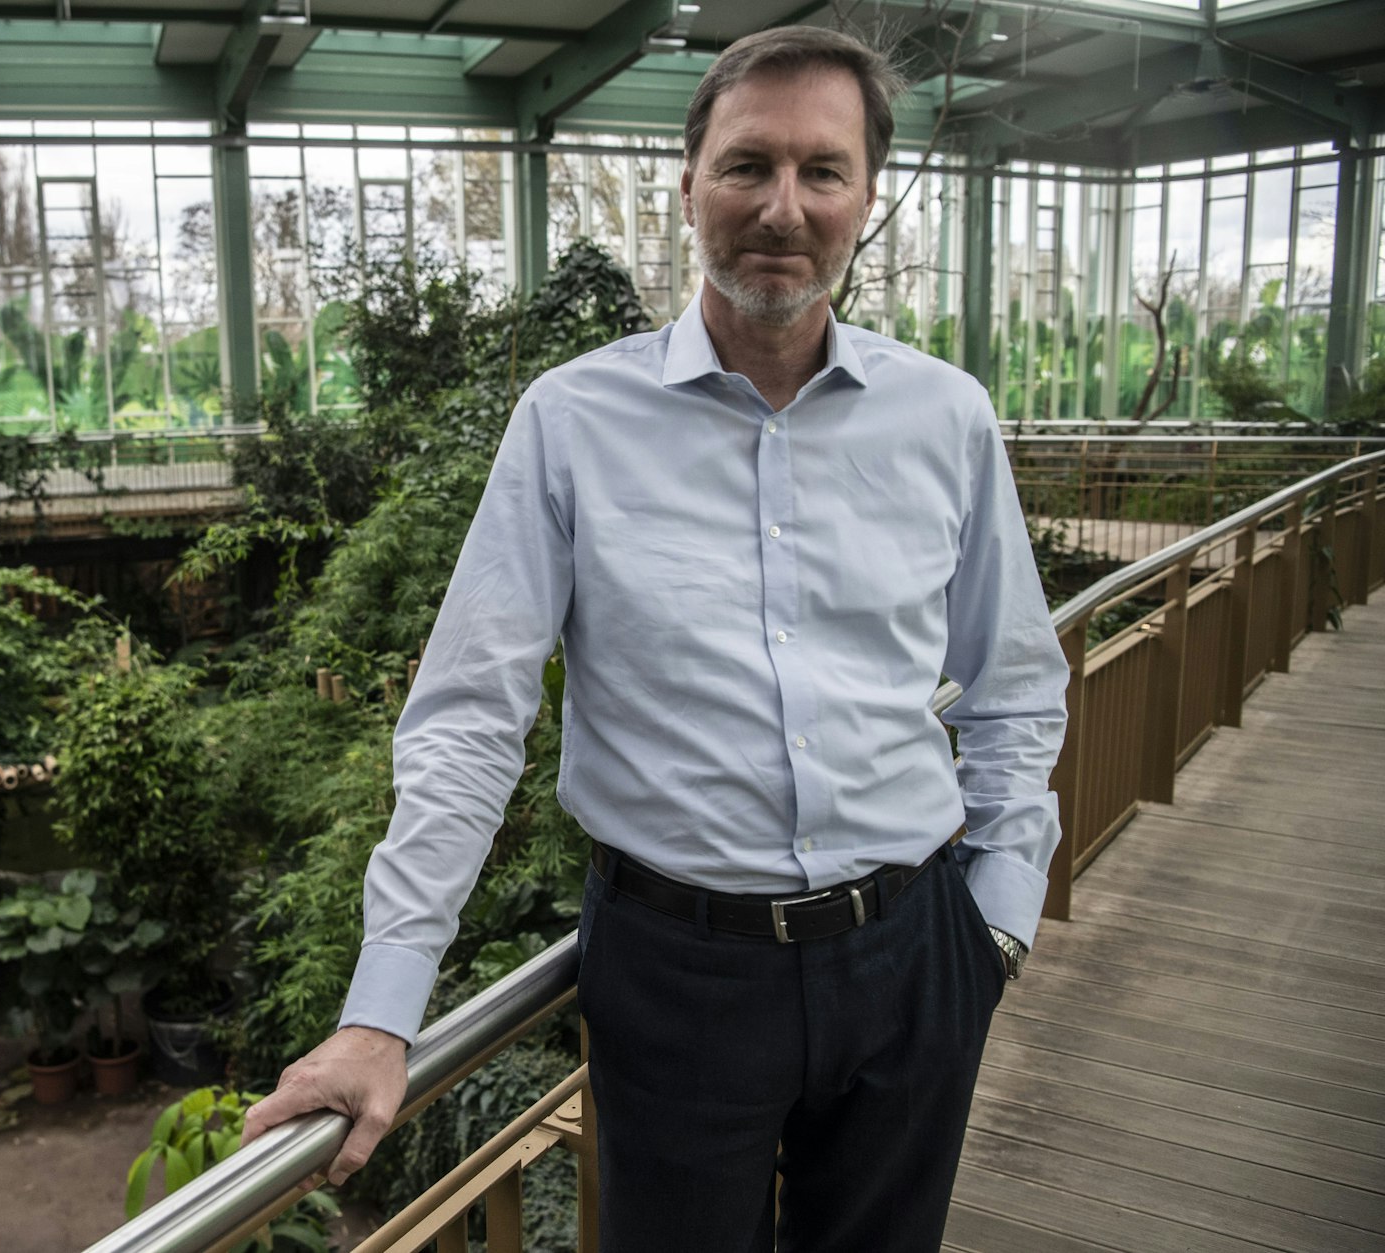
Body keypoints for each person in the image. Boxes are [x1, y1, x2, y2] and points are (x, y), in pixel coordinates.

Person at [242, 25, 1069, 1252]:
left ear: (864, 199)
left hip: (910, 955)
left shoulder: (943, 418)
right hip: (677, 978)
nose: (781, 207)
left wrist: (992, 922)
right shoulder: (571, 423)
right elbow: (471, 715)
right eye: (747, 166)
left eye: (820, 171)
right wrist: (383, 1009)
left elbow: (1011, 687)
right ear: (686, 185)